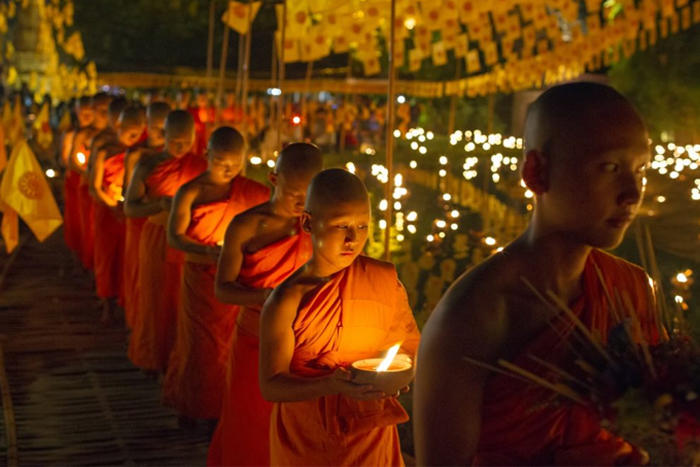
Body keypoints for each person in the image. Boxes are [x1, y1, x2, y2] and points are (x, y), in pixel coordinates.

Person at [413, 82, 655, 466]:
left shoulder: (631, 290)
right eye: (609, 167)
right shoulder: (471, 316)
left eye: (641, 168)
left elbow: (649, 427)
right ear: (537, 172)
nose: (632, 192)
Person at [258, 168, 421, 467]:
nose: (352, 239)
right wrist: (330, 385)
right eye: (340, 226)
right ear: (308, 222)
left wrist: (397, 375)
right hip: (308, 439)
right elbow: (271, 385)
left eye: (362, 226)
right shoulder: (286, 299)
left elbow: (408, 345)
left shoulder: (383, 280)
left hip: (370, 432)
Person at [207, 142, 323, 467]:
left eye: (308, 195)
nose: (301, 203)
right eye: (293, 194)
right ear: (274, 179)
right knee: (249, 423)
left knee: (298, 428)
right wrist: (268, 297)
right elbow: (223, 290)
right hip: (255, 338)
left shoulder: (320, 227)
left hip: (303, 342)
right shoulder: (246, 225)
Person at [161, 127, 270, 426]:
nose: (228, 169)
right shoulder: (191, 191)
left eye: (235, 164)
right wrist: (207, 251)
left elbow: (266, 224)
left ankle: (221, 411)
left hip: (234, 281)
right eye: (221, 161)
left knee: (227, 350)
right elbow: (174, 236)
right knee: (199, 348)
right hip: (199, 278)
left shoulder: (250, 191)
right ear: (207, 155)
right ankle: (192, 407)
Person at [124, 110, 206, 373]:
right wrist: (159, 205)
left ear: (194, 137)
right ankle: (153, 358)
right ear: (164, 136)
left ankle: (183, 358)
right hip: (157, 237)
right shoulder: (148, 166)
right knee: (156, 299)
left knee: (184, 302)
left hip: (189, 239)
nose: (180, 147)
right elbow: (130, 208)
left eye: (186, 141)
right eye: (175, 141)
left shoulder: (203, 167)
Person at [90, 107, 146, 324]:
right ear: (118, 127)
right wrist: (112, 204)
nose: (133, 139)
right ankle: (106, 303)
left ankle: (127, 304)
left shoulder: (141, 154)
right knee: (107, 258)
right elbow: (95, 186)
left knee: (128, 261)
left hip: (130, 214)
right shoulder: (105, 151)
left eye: (138, 134)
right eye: (129, 133)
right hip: (108, 210)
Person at [122, 102, 170, 329]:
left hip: (167, 226)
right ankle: (135, 322)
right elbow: (126, 192)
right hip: (142, 221)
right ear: (146, 125)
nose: (158, 132)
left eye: (164, 127)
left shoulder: (178, 156)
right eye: (153, 125)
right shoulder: (138, 155)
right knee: (136, 273)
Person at [68, 92, 112, 270]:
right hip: (89, 185)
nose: (104, 113)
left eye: (107, 109)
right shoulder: (84, 134)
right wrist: (90, 169)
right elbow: (72, 160)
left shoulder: (114, 134)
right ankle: (90, 263)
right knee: (90, 228)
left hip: (110, 188)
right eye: (99, 109)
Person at [62, 96, 95, 258]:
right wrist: (82, 167)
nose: (86, 115)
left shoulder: (99, 134)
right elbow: (66, 159)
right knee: (76, 219)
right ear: (76, 112)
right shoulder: (71, 133)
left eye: (89, 112)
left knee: (90, 222)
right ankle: (76, 255)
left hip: (92, 180)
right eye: (82, 112)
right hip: (76, 179)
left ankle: (88, 256)